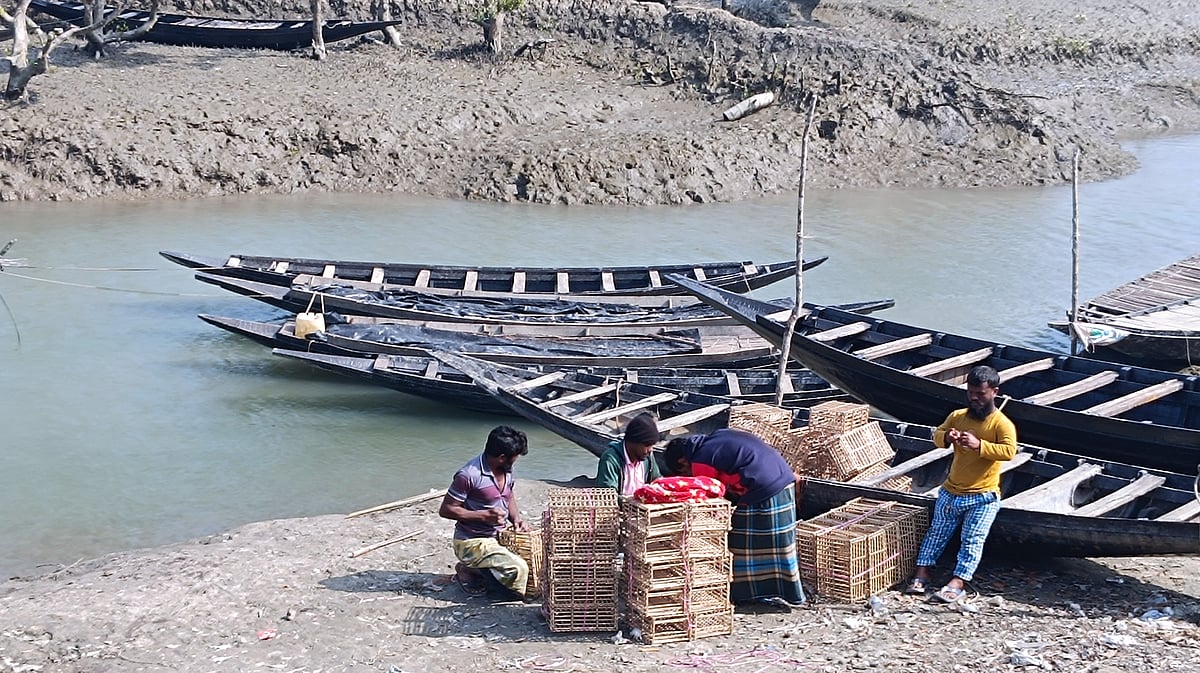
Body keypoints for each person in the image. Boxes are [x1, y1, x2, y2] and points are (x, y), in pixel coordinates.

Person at [905, 365, 1017, 603]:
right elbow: (938, 436)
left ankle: (958, 581)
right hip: (951, 491)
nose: (975, 398)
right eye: (971, 393)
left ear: (994, 392)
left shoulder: (1001, 424)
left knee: (973, 539)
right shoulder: (958, 416)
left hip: (982, 496)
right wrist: (947, 437)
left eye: (981, 394)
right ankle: (922, 572)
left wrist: (980, 446)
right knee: (936, 533)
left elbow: (1009, 452)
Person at [662, 427, 806, 606]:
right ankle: (790, 593)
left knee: (740, 542)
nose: (688, 476)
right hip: (784, 481)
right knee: (780, 546)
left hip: (763, 488)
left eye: (684, 473)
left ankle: (746, 594)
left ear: (683, 461)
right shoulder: (717, 435)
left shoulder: (701, 461)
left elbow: (710, 499)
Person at [438, 425, 531, 598]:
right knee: (518, 569)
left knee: (534, 565)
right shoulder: (468, 475)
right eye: (516, 456)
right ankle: (469, 569)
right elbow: (446, 510)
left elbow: (508, 495)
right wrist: (483, 516)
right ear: (502, 457)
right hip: (471, 542)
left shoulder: (506, 469)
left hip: (498, 537)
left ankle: (476, 570)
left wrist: (516, 519)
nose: (517, 459)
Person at [595, 413, 663, 495]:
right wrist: (634, 501)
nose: (651, 449)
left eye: (652, 445)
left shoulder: (648, 458)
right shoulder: (610, 459)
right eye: (647, 445)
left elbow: (657, 481)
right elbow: (608, 496)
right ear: (633, 441)